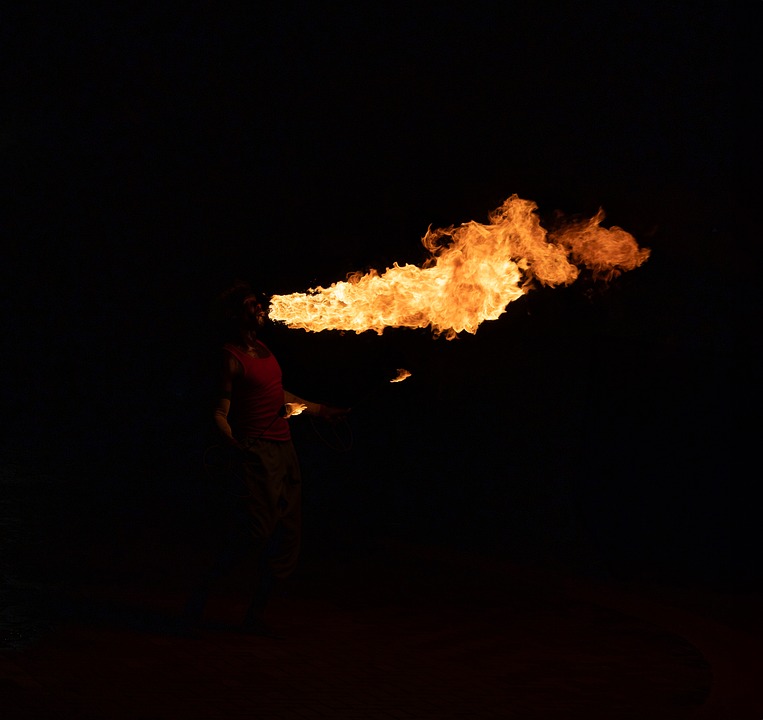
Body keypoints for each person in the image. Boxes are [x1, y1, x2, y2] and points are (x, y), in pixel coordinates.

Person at [182, 280, 349, 636]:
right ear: (235, 314)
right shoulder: (230, 356)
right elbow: (219, 411)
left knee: (288, 537)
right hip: (256, 454)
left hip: (284, 450)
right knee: (255, 533)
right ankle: (202, 592)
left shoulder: (265, 350)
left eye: (258, 303)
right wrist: (232, 443)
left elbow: (278, 394)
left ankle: (254, 615)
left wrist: (319, 409)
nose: (260, 308)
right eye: (251, 304)